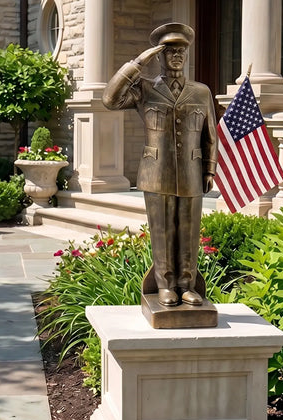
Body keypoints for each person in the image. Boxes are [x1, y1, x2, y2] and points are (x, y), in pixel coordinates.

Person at [103, 23, 217, 307]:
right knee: (162, 230)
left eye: (181, 51)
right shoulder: (144, 89)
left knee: (189, 230)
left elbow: (210, 135)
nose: (176, 56)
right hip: (155, 172)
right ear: (160, 56)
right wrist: (137, 64)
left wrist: (210, 170)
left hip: (191, 171)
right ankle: (165, 285)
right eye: (169, 51)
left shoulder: (201, 92)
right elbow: (110, 99)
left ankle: (188, 285)